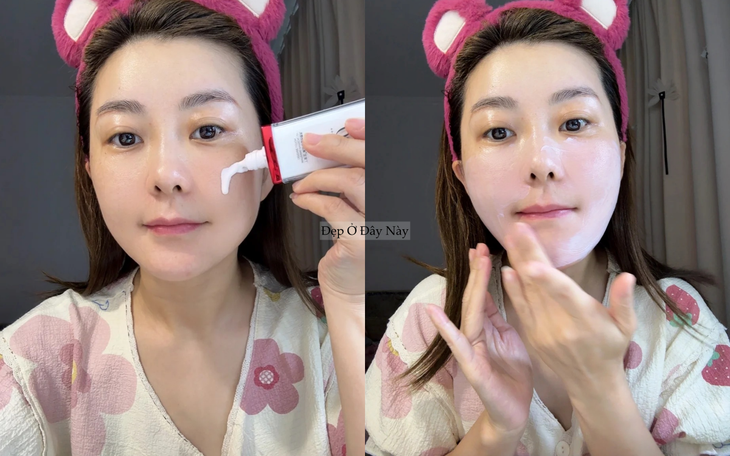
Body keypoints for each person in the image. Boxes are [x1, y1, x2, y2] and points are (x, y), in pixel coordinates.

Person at [365, 0, 730, 455]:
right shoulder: (428, 321)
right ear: (463, 175)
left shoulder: (679, 322)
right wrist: (495, 430)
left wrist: (600, 393)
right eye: (498, 131)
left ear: (620, 155)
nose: (541, 163)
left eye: (574, 122)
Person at [0, 0, 364, 455]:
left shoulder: (331, 334)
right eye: (125, 137)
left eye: (208, 130)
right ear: (91, 171)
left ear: (269, 164)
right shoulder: (31, 361)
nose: (166, 175)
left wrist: (351, 303)